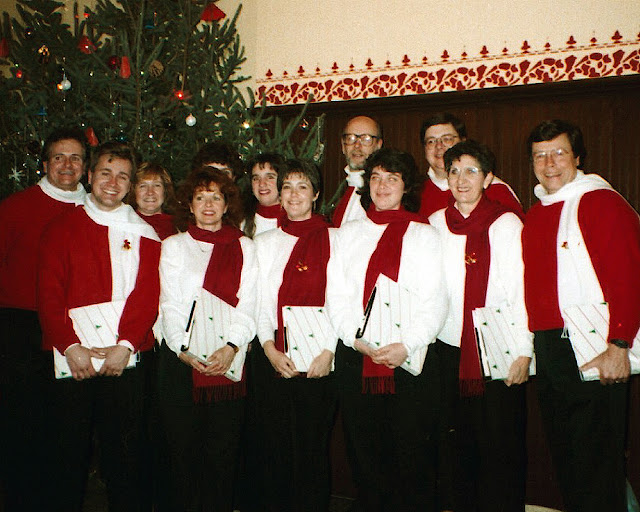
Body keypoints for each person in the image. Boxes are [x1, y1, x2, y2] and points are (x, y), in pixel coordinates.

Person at [522, 120, 640, 512]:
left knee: (596, 460)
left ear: (577, 156)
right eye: (540, 155)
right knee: (568, 458)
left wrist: (619, 344)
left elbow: (629, 275)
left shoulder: (599, 201)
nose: (549, 163)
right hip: (552, 347)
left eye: (558, 153)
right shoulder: (536, 213)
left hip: (595, 345)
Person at [37, 141, 161, 512]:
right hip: (70, 357)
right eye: (105, 172)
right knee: (67, 453)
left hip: (125, 359)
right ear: (90, 176)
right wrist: (69, 346)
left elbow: (146, 294)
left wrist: (126, 345)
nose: (113, 182)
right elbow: (48, 290)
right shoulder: (61, 227)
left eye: (123, 176)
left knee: (126, 455)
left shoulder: (144, 233)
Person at [327, 148, 448, 511]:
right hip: (357, 359)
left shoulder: (424, 235)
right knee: (365, 456)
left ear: (405, 186)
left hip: (409, 363)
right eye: (376, 177)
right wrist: (355, 338)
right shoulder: (347, 234)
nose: (382, 185)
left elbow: (435, 299)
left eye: (392, 178)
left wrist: (406, 346)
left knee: (413, 457)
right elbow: (337, 293)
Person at [429, 140, 532, 512]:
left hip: (495, 348)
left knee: (499, 447)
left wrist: (524, 351)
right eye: (454, 170)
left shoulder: (505, 223)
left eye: (471, 170)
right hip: (447, 350)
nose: (461, 179)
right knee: (457, 447)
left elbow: (521, 290)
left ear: (488, 177)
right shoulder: (436, 223)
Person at [157, 167, 258, 512]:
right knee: (182, 455)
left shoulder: (245, 246)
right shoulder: (173, 246)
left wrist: (231, 347)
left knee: (222, 455)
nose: (209, 204)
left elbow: (250, 302)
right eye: (201, 197)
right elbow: (168, 303)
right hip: (182, 365)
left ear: (228, 202)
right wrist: (181, 349)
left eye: (216, 196)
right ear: (190, 204)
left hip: (227, 363)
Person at [0, 127, 88, 511]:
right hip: (20, 329)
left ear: (86, 166)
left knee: (70, 426)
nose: (67, 165)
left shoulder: (95, 209)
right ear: (45, 163)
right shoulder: (16, 207)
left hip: (76, 330)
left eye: (75, 158)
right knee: (23, 424)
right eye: (58, 157)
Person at [254, 159, 338, 512]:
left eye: (302, 186)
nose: (293, 194)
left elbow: (340, 297)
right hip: (275, 358)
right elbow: (258, 301)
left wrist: (328, 352)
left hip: (319, 360)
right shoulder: (265, 241)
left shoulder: (334, 238)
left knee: (311, 450)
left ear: (316, 194)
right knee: (274, 449)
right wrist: (269, 347)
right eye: (287, 186)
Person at [417, 112, 523, 219]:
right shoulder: (416, 192)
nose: (439, 146)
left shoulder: (496, 190)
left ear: (463, 142)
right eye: (431, 141)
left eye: (447, 139)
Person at [331, 115, 383, 226]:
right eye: (351, 138)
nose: (357, 146)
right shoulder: (344, 192)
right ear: (343, 146)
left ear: (378, 145)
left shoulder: (383, 195)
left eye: (366, 139)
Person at [129, 161, 178, 239]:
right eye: (143, 186)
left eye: (156, 185)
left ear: (165, 190)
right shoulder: (125, 223)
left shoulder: (178, 227)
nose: (150, 192)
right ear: (134, 190)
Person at [242, 152, 285, 238]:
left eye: (270, 177)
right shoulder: (240, 220)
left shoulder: (295, 219)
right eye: (256, 178)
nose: (262, 184)